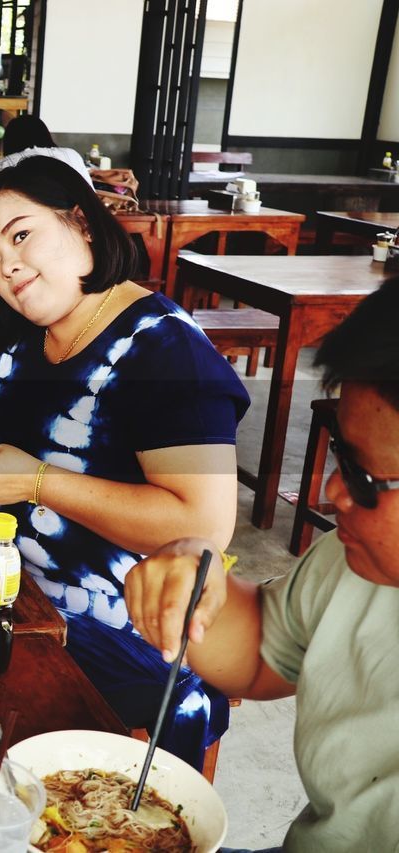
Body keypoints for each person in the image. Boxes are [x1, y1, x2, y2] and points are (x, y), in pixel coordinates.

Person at [0, 155, 249, 769]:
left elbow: (202, 526)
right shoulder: (36, 328)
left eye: (21, 234)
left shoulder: (164, 349)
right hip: (13, 596)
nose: (7, 263)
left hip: (124, 639)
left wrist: (38, 482)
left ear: (83, 224)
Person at [126, 279, 399, 853]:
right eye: (341, 459)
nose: (330, 492)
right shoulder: (359, 566)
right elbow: (260, 655)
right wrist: (195, 579)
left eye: (364, 480)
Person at [0, 114, 92, 186]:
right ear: (45, 134)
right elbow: (90, 192)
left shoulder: (6, 163)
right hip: (82, 213)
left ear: (10, 141)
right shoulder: (71, 154)